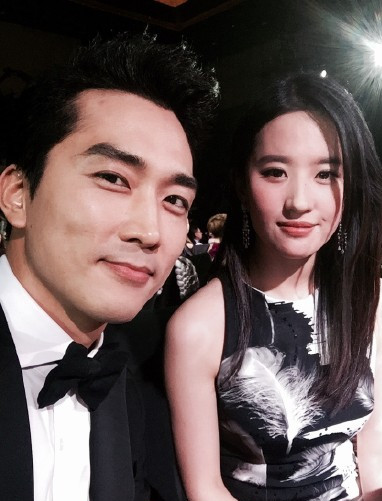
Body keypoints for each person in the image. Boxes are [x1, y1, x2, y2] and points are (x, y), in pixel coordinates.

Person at [165, 73, 382, 501]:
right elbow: (205, 489)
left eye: (325, 174)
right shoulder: (200, 326)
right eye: (275, 172)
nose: (299, 201)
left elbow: (380, 452)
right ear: (242, 184)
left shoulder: (378, 304)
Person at [0, 32, 218, 501]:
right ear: (18, 194)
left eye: (175, 200)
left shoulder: (138, 372)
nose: (150, 231)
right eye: (113, 178)